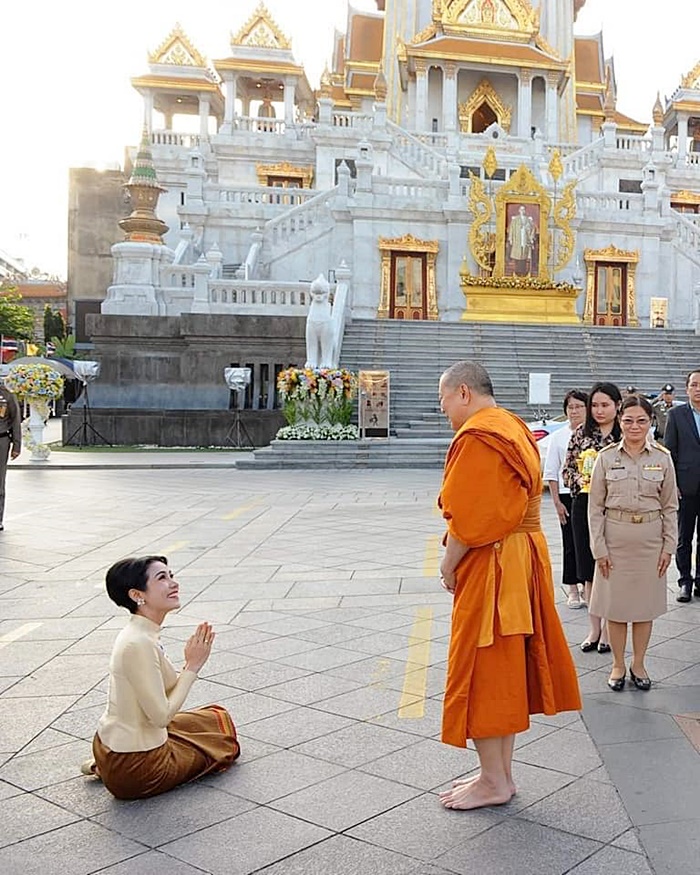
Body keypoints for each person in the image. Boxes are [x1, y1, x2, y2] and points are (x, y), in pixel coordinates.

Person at [436, 361, 581, 811]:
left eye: (443, 403)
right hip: (521, 558)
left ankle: (494, 780)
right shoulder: (513, 426)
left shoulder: (480, 435)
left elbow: (472, 516)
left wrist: (447, 563)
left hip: (495, 563)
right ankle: (497, 775)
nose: (444, 413)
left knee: (483, 668)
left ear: (463, 392)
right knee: (503, 669)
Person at [85, 555, 240, 799]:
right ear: (137, 595)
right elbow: (161, 717)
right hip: (140, 767)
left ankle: (104, 765)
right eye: (162, 578)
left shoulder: (142, 633)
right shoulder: (137, 643)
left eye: (171, 576)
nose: (173, 583)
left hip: (116, 746)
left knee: (215, 718)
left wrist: (189, 661)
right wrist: (193, 666)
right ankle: (107, 770)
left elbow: (166, 689)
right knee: (223, 744)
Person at [588, 395, 678, 691]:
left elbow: (670, 507)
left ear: (651, 422)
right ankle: (617, 664)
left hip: (650, 544)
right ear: (619, 421)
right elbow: (595, 508)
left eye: (641, 420)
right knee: (615, 608)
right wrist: (599, 549)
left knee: (643, 608)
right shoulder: (606, 457)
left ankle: (638, 663)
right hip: (615, 543)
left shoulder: (662, 458)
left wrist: (669, 546)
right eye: (628, 420)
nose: (634, 426)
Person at [562, 382, 622, 653]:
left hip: (615, 507)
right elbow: (567, 469)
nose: (599, 410)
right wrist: (582, 479)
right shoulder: (580, 434)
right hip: (583, 504)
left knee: (611, 568)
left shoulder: (625, 435)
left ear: (617, 405)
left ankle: (611, 630)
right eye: (594, 405)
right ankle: (594, 629)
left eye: (605, 405)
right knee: (587, 568)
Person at [543, 389, 588, 609]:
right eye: (571, 407)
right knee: (570, 541)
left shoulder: (593, 435)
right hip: (566, 494)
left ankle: (588, 586)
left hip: (590, 494)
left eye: (579, 406)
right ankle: (572, 587)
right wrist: (557, 503)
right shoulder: (559, 437)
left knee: (589, 543)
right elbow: (551, 472)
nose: (575, 411)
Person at [665, 370, 700, 602]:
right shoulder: (676, 414)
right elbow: (670, 452)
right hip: (685, 486)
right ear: (687, 388)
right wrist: (673, 484)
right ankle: (685, 581)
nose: (698, 389)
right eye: (694, 385)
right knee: (683, 537)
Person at [0, 379, 22, 531]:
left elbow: (15, 420)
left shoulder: (7, 395)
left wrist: (17, 444)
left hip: (1, 440)